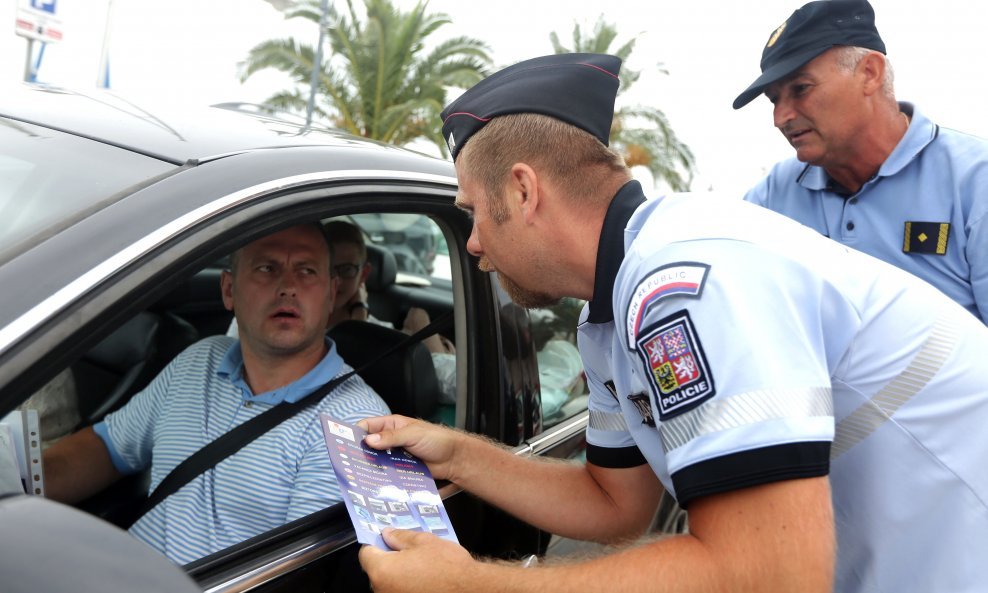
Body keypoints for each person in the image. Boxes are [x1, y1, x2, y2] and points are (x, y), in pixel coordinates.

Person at [355, 53, 988, 593]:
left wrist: (470, 583)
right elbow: (615, 502)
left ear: (523, 191)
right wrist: (460, 456)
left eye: (473, 212)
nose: (470, 243)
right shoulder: (612, 310)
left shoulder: (686, 280)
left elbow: (768, 574)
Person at [43, 223, 390, 564]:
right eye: (267, 268)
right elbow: (107, 446)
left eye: (306, 270)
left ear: (332, 293)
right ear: (228, 290)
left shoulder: (355, 425)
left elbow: (296, 577)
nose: (288, 287)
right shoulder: (199, 359)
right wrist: (22, 484)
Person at [733, 0, 988, 323]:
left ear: (870, 73)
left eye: (800, 88)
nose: (780, 117)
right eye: (774, 99)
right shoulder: (772, 198)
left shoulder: (975, 181)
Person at [325, 219, 457, 403]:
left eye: (347, 270)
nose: (336, 280)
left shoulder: (381, 337)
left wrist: (359, 319)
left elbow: (450, 380)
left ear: (364, 274)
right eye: (328, 268)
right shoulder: (293, 326)